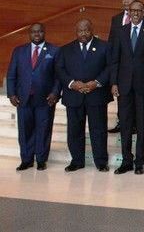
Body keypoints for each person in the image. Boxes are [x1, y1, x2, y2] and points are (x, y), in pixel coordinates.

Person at [109, 0, 144, 175]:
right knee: (125, 124)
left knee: (142, 124)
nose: (136, 13)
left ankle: (139, 161)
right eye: (132, 10)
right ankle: (126, 160)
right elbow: (114, 59)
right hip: (123, 85)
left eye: (139, 10)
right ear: (128, 12)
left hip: (143, 85)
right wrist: (114, 82)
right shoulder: (120, 31)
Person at [55, 19, 111, 172]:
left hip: (97, 95)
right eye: (80, 31)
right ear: (76, 31)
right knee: (74, 131)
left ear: (91, 29)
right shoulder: (65, 49)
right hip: (74, 96)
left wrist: (97, 82)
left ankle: (101, 162)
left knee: (98, 130)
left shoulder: (104, 46)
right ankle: (77, 161)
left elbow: (110, 67)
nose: (83, 34)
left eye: (86, 30)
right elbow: (60, 70)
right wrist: (72, 83)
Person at [6, 23, 60, 171]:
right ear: (29, 34)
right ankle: (26, 159)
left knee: (44, 129)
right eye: (34, 32)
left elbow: (58, 76)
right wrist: (11, 94)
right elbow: (11, 75)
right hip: (23, 98)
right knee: (25, 130)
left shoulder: (54, 50)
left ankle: (41, 160)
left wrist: (55, 93)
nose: (37, 34)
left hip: (45, 99)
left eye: (40, 32)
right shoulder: (19, 51)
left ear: (44, 32)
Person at [107, 0, 144, 134]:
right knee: (123, 104)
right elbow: (112, 41)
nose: (126, 1)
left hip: (141, 74)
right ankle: (123, 123)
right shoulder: (116, 19)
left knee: (139, 108)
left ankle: (135, 125)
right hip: (123, 69)